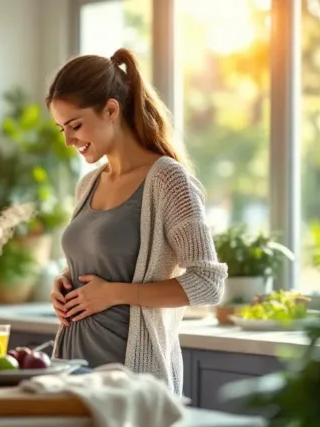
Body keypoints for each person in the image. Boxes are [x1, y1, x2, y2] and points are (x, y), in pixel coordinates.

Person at [46, 47, 227, 395]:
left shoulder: (168, 180)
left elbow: (208, 283)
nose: (68, 140)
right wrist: (63, 283)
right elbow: (101, 264)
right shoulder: (89, 184)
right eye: (61, 129)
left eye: (75, 125)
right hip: (71, 372)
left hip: (132, 379)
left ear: (111, 109)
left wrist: (114, 294)